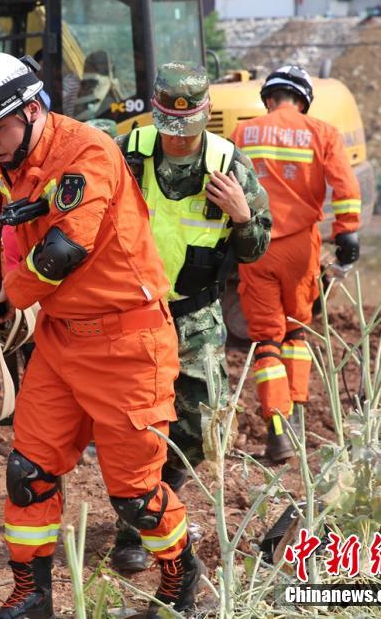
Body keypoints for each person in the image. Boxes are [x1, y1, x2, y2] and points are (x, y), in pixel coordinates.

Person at [0, 52, 204, 619]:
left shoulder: (87, 151)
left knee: (136, 495)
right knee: (29, 472)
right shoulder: (2, 160)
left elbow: (65, 248)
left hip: (127, 344)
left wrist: (11, 295)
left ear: (32, 111)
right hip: (61, 342)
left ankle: (182, 576)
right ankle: (31, 593)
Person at [109, 63, 271, 573]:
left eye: (188, 130)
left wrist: (243, 217)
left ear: (204, 117)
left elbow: (256, 249)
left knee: (201, 425)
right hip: (131, 311)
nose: (178, 141)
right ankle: (133, 528)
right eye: (168, 129)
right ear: (154, 115)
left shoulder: (230, 164)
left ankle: (157, 495)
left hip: (194, 313)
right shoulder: (126, 153)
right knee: (135, 426)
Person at [232, 65, 361, 462]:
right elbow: (345, 185)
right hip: (302, 249)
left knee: (267, 339)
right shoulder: (322, 132)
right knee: (296, 334)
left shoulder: (243, 132)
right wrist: (347, 232)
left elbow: (223, 182)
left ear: (269, 98)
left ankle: (277, 434)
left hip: (256, 246)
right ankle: (299, 418)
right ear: (302, 100)